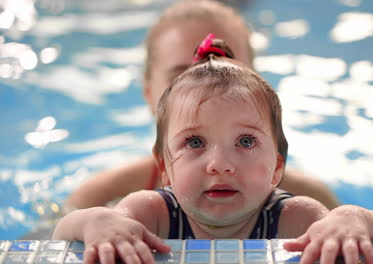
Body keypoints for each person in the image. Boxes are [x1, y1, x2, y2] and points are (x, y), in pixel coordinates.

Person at [53, 34, 373, 264]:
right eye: (195, 142)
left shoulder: (295, 217)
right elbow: (61, 235)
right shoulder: (151, 212)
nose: (220, 164)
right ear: (165, 167)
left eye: (245, 142)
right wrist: (96, 221)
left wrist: (350, 218)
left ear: (277, 167)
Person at [64, 0, 339, 211]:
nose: (204, 88)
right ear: (149, 94)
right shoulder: (101, 199)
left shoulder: (307, 201)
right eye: (180, 76)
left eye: (226, 72)